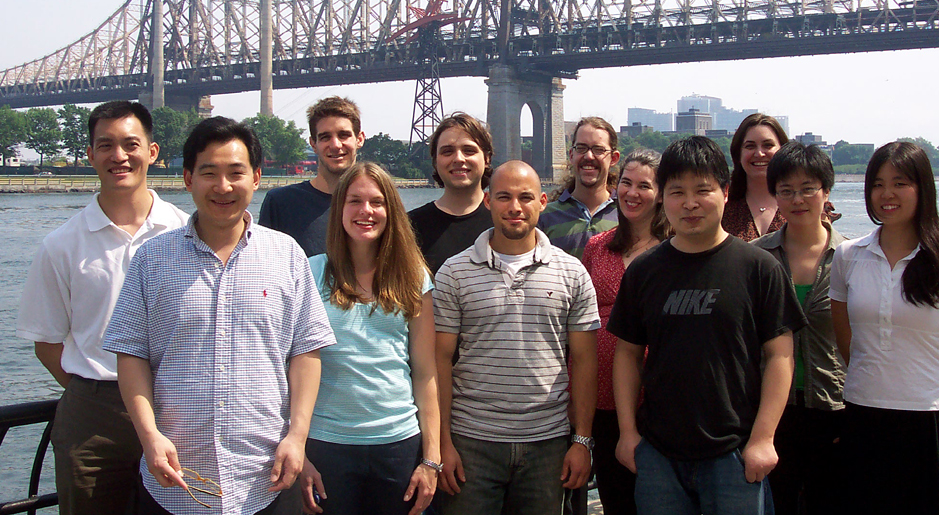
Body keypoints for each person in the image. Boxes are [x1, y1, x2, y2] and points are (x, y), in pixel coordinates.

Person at [103, 117, 336, 515]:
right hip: (176, 481)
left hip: (266, 479)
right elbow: (131, 355)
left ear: (257, 177)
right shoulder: (151, 259)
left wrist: (297, 437)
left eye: (236, 173)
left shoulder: (287, 256)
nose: (223, 187)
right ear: (188, 179)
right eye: (209, 173)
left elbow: (306, 352)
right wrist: (149, 438)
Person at [608, 136, 806, 515]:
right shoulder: (644, 271)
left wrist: (763, 439)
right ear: (663, 198)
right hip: (658, 452)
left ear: (726, 191)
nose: (690, 203)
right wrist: (628, 433)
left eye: (703, 190)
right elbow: (628, 355)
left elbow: (780, 356)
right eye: (677, 191)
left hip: (734, 450)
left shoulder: (759, 267)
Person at [16, 101, 189, 515]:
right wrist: (97, 393)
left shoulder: (187, 232)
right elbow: (47, 343)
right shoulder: (61, 245)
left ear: (153, 151)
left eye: (131, 144)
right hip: (93, 418)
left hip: (178, 406)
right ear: (90, 154)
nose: (119, 156)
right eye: (105, 145)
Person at [433, 161, 600, 515]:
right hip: (471, 440)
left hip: (547, 442)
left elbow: (585, 361)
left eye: (525, 197)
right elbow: (439, 362)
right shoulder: (454, 271)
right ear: (488, 202)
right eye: (504, 197)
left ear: (542, 202)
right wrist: (442, 443)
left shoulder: (572, 272)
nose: (515, 207)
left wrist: (582, 440)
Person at [829, 141, 939, 515]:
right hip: (864, 414)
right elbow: (846, 341)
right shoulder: (849, 257)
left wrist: (934, 395)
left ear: (922, 188)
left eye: (899, 183)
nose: (887, 194)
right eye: (878, 184)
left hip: (929, 423)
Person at [299, 162, 441, 515]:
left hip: (398, 444)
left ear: (391, 211)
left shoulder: (414, 277)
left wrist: (432, 458)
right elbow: (293, 371)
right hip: (326, 444)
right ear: (339, 210)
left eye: (377, 202)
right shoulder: (309, 273)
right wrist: (299, 454)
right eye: (354, 201)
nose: (366, 211)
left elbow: (425, 373)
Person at [751, 142, 846, 515]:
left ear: (826, 192)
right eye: (786, 191)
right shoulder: (757, 258)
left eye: (808, 189)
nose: (798, 199)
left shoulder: (852, 258)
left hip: (835, 408)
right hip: (771, 413)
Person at [580, 148, 667, 515]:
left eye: (644, 186)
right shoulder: (598, 247)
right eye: (626, 183)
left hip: (658, 395)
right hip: (600, 393)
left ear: (662, 193)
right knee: (616, 496)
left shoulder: (675, 248)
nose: (632, 193)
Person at [258, 96, 365, 256]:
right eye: (325, 137)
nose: (335, 145)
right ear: (313, 144)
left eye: (343, 135)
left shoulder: (375, 205)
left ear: (359, 139)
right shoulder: (280, 203)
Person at [408, 112, 494, 274]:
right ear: (435, 160)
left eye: (469, 150)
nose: (458, 159)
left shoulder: (505, 220)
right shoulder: (409, 226)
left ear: (487, 158)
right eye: (447, 152)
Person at [538, 116, 620, 260]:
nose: (589, 156)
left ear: (613, 158)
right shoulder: (544, 217)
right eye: (581, 148)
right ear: (571, 155)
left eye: (598, 149)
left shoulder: (627, 215)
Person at [721, 113, 789, 241]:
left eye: (768, 145)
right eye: (750, 146)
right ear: (738, 154)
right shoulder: (723, 205)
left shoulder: (800, 202)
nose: (759, 153)